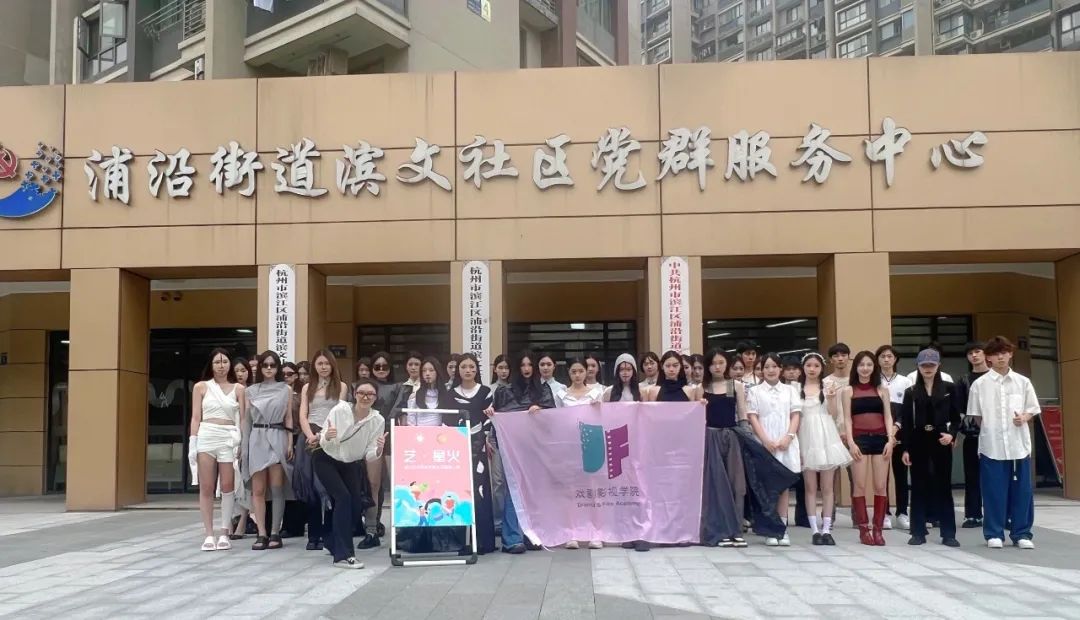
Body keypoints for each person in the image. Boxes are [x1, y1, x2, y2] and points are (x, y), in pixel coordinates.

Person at [966, 336, 1040, 550]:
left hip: (1019, 446)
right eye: (995, 354)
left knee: (1022, 492)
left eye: (1004, 353)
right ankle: (994, 533)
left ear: (1011, 354)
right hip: (992, 446)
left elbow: (1032, 409)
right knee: (993, 492)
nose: (1000, 357)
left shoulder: (1022, 382)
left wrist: (1024, 417)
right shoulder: (979, 385)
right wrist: (991, 429)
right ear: (988, 357)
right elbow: (977, 416)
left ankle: (1022, 533)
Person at [485, 351, 556, 554]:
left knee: (533, 491)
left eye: (530, 365)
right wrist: (492, 415)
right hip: (512, 449)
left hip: (535, 448)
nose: (526, 369)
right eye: (523, 365)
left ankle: (531, 535)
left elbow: (551, 419)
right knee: (513, 490)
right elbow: (498, 418)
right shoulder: (504, 391)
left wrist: (539, 411)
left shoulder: (543, 390)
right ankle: (512, 538)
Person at [315, 379, 386, 569]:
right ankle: (343, 555)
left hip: (350, 463)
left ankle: (331, 540)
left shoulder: (377, 420)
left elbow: (369, 454)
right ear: (354, 394)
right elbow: (324, 440)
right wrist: (327, 436)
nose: (365, 397)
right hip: (325, 458)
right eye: (361, 393)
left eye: (370, 394)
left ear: (375, 397)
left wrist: (378, 450)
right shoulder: (340, 410)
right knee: (343, 498)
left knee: (354, 505)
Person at [901, 349, 961, 547]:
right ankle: (918, 532)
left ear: (938, 366)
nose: (928, 369)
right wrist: (906, 449)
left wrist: (951, 435)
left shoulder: (949, 388)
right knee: (918, 486)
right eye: (924, 365)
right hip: (918, 440)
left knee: (943, 486)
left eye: (932, 365)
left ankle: (949, 533)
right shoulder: (911, 392)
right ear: (918, 367)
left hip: (941, 439)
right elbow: (906, 422)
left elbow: (956, 418)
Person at [188, 348, 246, 551]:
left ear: (230, 364)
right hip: (206, 435)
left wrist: (242, 443)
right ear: (211, 365)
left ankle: (224, 532)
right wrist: (193, 442)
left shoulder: (239, 388)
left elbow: (243, 419)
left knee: (228, 486)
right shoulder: (201, 387)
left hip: (229, 437)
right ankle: (208, 534)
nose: (221, 366)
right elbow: (196, 417)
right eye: (217, 362)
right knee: (206, 486)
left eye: (225, 361)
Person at [296, 350, 349, 552]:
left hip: (331, 437)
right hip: (310, 437)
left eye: (327, 363)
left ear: (332, 365)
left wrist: (323, 435)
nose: (323, 367)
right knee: (312, 488)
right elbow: (303, 415)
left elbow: (341, 415)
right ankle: (313, 535)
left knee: (329, 487)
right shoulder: (307, 387)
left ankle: (329, 535)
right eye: (320, 363)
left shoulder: (341, 386)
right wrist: (310, 435)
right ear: (314, 366)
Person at [747, 353, 802, 547]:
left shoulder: (790, 390)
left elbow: (796, 415)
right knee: (767, 487)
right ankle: (770, 529)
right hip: (764, 441)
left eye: (774, 366)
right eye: (766, 367)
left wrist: (789, 437)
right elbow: (753, 417)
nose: (770, 370)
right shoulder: (754, 391)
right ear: (762, 370)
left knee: (783, 486)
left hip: (785, 440)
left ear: (780, 369)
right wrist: (765, 440)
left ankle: (782, 529)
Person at [242, 351, 295, 550]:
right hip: (257, 437)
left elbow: (288, 417)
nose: (269, 368)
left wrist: (289, 442)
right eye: (265, 365)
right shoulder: (251, 391)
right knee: (258, 489)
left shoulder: (285, 389)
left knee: (277, 487)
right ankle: (261, 532)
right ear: (260, 367)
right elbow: (246, 420)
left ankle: (275, 532)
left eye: (273, 365)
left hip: (277, 435)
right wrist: (243, 446)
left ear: (278, 367)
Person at [797, 352, 851, 546]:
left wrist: (831, 398)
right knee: (810, 487)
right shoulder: (795, 389)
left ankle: (827, 529)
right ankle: (814, 530)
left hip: (826, 437)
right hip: (806, 438)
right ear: (803, 367)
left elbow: (833, 414)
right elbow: (795, 417)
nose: (812, 369)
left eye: (816, 366)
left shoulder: (828, 386)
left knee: (828, 488)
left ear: (821, 368)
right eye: (809, 365)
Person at [842, 350, 895, 546]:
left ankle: (878, 530)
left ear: (874, 367)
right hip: (859, 441)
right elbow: (847, 419)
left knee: (881, 486)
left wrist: (890, 440)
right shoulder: (848, 391)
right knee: (860, 486)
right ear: (856, 367)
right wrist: (851, 442)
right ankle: (864, 530)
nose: (865, 368)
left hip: (881, 440)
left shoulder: (882, 390)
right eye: (861, 365)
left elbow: (888, 416)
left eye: (869, 365)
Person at [554, 357, 605, 550]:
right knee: (570, 489)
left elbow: (605, 418)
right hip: (568, 444)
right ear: (568, 373)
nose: (577, 375)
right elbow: (555, 419)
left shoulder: (597, 393)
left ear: (587, 372)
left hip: (591, 444)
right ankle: (572, 532)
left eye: (580, 371)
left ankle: (596, 533)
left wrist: (599, 408)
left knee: (593, 490)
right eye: (573, 371)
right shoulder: (561, 395)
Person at [700, 350, 748, 548]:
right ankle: (719, 529)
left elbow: (742, 415)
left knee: (736, 484)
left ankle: (735, 529)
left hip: (732, 437)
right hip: (709, 438)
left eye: (721, 362)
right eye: (713, 363)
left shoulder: (735, 386)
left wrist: (746, 439)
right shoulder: (701, 388)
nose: (717, 366)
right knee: (715, 485)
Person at [450, 353, 497, 554]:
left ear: (476, 369)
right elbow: (447, 421)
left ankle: (484, 541)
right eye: (463, 367)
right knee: (459, 492)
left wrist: (483, 439)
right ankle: (463, 540)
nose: (468, 370)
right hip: (457, 450)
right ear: (457, 370)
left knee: (480, 491)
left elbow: (489, 419)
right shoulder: (450, 394)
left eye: (471, 366)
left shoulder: (485, 392)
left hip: (480, 447)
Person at [954, 341, 989, 529]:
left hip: (995, 436)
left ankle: (998, 514)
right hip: (972, 435)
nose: (974, 356)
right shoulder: (963, 380)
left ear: (985, 354)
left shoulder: (994, 377)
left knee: (995, 477)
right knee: (972, 475)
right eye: (970, 353)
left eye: (977, 351)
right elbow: (959, 409)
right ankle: (973, 515)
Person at [877, 344, 912, 531]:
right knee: (882, 476)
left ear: (895, 359)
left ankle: (902, 512)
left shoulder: (905, 381)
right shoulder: (874, 381)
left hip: (901, 432)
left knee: (901, 474)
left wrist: (897, 426)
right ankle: (884, 513)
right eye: (882, 356)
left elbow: (907, 409)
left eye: (889, 356)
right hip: (879, 431)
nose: (886, 359)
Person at [368, 351, 398, 539]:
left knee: (395, 482)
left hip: (390, 435)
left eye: (384, 366)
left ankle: (399, 525)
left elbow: (397, 411)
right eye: (376, 366)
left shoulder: (398, 387)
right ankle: (372, 525)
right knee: (373, 483)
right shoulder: (362, 387)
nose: (380, 369)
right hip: (368, 435)